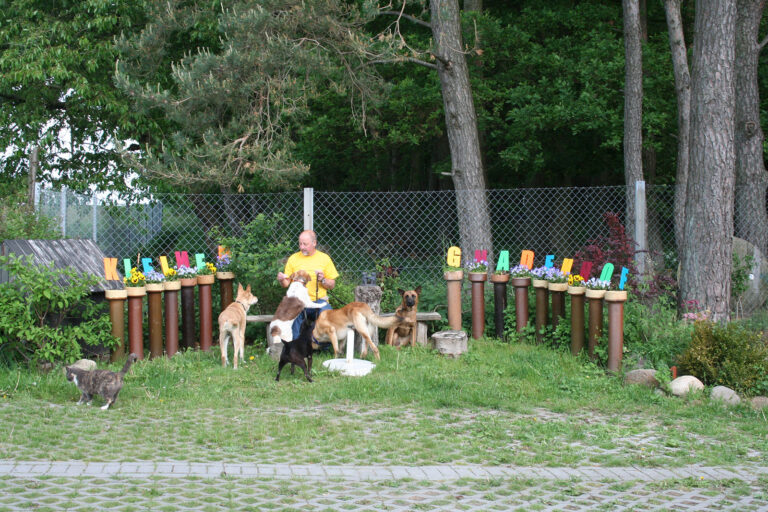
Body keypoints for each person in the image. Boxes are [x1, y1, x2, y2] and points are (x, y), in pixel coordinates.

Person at [276, 230, 339, 340]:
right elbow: (286, 284)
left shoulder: (324, 258)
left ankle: (320, 345)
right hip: (298, 302)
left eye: (305, 244)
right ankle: (295, 345)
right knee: (292, 315)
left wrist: (323, 280)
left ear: (314, 243)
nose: (302, 247)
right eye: (300, 244)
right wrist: (281, 279)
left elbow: (332, 285)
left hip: (319, 300)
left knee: (327, 316)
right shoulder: (293, 258)